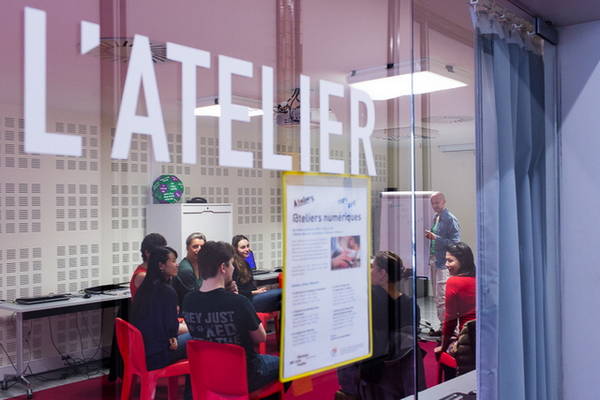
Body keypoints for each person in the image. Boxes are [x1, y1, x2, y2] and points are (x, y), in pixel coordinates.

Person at [182, 241, 279, 395]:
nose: (233, 268)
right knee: (286, 366)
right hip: (244, 373)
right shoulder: (239, 302)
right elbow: (261, 337)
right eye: (232, 264)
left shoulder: (188, 300)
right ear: (223, 268)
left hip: (206, 373)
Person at [337, 251, 424, 400]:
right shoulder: (411, 306)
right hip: (402, 383)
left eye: (372, 267)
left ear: (382, 273)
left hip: (374, 381)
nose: (369, 272)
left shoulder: (368, 303)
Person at [130, 246, 190, 370]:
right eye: (173, 261)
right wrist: (172, 335)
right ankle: (191, 388)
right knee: (198, 337)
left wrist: (171, 335)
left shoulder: (145, 286)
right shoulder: (166, 291)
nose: (177, 265)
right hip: (158, 354)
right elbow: (171, 327)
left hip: (142, 351)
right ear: (161, 265)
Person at [434, 242, 476, 369]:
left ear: (462, 261)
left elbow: (450, 320)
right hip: (484, 337)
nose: (446, 265)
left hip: (467, 340)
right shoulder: (480, 278)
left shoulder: (454, 282)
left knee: (443, 350)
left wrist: (443, 346)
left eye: (450, 261)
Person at [424, 192, 461, 328]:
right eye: (432, 203)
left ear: (444, 202)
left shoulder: (450, 219)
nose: (435, 205)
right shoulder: (436, 217)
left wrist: (436, 238)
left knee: (443, 297)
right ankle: (443, 326)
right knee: (438, 297)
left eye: (437, 202)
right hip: (434, 260)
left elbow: (456, 243)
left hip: (444, 264)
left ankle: (451, 330)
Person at [232, 235, 281, 313]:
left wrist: (258, 290)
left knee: (282, 303)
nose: (247, 249)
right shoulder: (233, 266)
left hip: (253, 296)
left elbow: (248, 286)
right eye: (243, 247)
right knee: (282, 292)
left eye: (248, 246)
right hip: (247, 301)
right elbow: (235, 292)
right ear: (235, 249)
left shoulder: (245, 264)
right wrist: (254, 292)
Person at [172, 232, 206, 306]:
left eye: (202, 247)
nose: (199, 249)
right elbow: (194, 297)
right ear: (187, 248)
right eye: (195, 246)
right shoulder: (185, 270)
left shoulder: (202, 265)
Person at [130, 232, 167, 298]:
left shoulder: (154, 271)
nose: (163, 255)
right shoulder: (142, 275)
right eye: (159, 252)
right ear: (147, 253)